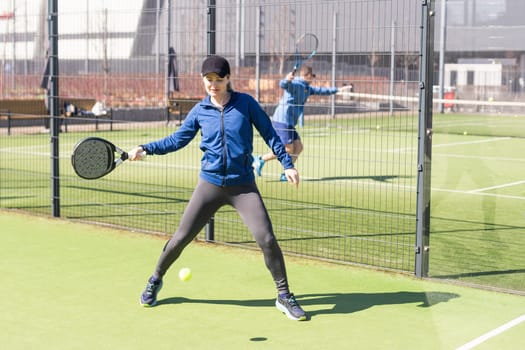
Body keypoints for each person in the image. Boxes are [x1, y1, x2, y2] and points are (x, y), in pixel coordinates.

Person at [128, 55, 307, 321]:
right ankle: (155, 279)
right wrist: (146, 148)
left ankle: (283, 296)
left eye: (219, 80)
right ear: (203, 80)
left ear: (228, 79)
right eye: (209, 80)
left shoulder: (245, 104)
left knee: (267, 239)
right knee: (180, 238)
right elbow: (177, 140)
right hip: (209, 185)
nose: (213, 85)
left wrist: (286, 164)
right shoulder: (200, 111)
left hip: (243, 186)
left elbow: (269, 133)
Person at [252, 66, 338, 181]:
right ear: (307, 75)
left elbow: (322, 91)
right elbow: (283, 85)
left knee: (298, 147)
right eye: (312, 76)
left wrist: (337, 90)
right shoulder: (296, 84)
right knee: (288, 149)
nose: (313, 78)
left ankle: (286, 173)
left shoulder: (307, 88)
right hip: (282, 120)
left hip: (290, 122)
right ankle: (260, 159)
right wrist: (287, 79)